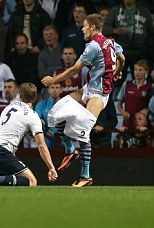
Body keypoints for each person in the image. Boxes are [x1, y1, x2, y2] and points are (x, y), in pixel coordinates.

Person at [42, 14, 125, 187]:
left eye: (85, 26)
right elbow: (122, 57)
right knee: (55, 114)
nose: (82, 29)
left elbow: (74, 70)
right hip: (87, 89)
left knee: (83, 132)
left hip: (99, 94)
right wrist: (118, 70)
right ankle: (70, 151)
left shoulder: (93, 46)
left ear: (93, 27)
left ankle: (85, 176)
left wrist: (53, 80)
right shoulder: (110, 41)